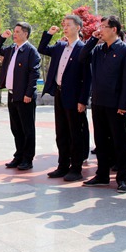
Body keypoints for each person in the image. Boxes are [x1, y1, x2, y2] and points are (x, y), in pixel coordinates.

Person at [80, 15, 126, 193]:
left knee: (119, 141)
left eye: (104, 27)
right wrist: (92, 39)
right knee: (101, 141)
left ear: (114, 29)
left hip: (116, 103)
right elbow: (82, 57)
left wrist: (123, 104)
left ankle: (123, 179)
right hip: (98, 102)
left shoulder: (125, 50)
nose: (100, 29)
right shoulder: (98, 49)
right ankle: (102, 175)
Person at [38, 15, 92, 182]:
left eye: (69, 25)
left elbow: (87, 78)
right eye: (64, 25)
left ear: (78, 27)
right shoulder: (60, 46)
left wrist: (83, 100)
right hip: (59, 93)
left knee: (75, 133)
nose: (65, 27)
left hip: (74, 97)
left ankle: (75, 168)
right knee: (61, 132)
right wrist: (49, 34)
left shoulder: (83, 49)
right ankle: (62, 166)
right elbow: (42, 48)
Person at [0, 22, 42, 171]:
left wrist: (29, 93)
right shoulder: (11, 49)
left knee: (27, 129)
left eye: (17, 32)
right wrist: (2, 37)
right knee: (16, 128)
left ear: (25, 34)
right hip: (12, 94)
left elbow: (34, 74)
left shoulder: (31, 51)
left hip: (24, 97)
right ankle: (19, 155)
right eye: (14, 31)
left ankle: (28, 159)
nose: (14, 34)